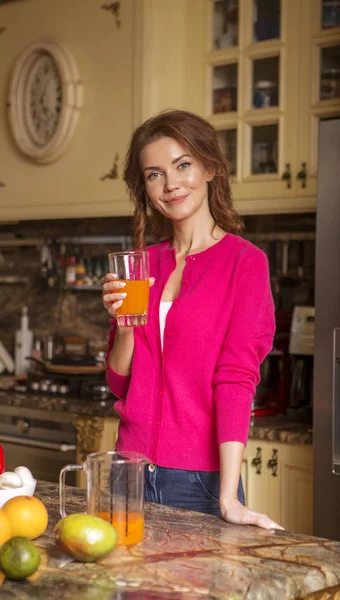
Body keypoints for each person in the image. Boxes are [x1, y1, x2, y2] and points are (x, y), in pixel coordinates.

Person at [102, 109, 284, 531]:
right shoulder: (141, 265)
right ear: (144, 188)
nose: (170, 184)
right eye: (154, 174)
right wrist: (124, 327)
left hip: (199, 484)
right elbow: (119, 382)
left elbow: (236, 379)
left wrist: (227, 496)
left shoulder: (244, 263)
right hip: (127, 473)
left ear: (210, 168)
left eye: (182, 165)